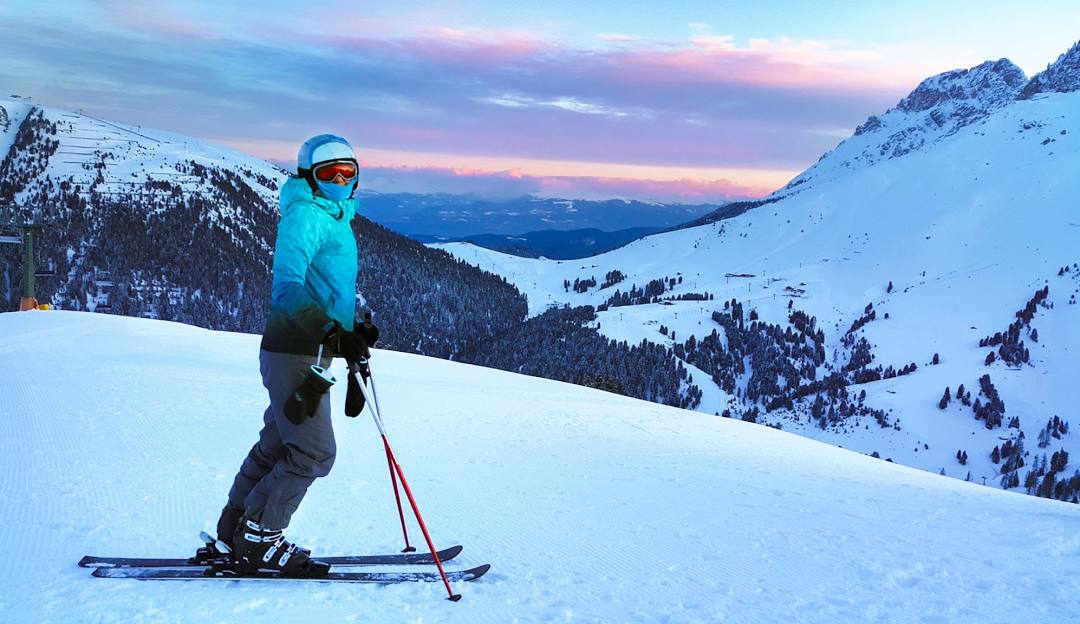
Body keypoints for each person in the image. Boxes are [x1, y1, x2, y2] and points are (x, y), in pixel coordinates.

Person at [211, 134, 374, 576]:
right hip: (295, 350)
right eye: (329, 173)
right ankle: (261, 539)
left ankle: (234, 535)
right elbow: (287, 288)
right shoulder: (305, 215)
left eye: (348, 172)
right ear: (310, 177)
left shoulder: (334, 216)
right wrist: (329, 332)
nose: (340, 180)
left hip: (308, 351)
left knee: (278, 444)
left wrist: (349, 332)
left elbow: (325, 289)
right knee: (314, 453)